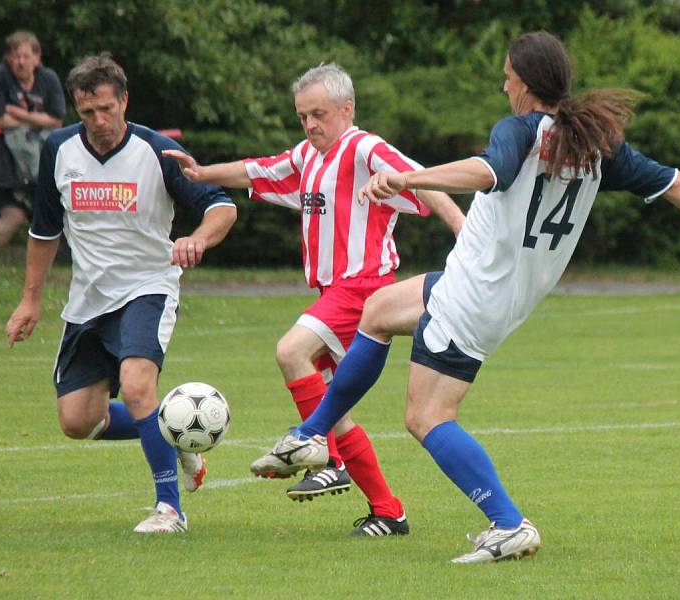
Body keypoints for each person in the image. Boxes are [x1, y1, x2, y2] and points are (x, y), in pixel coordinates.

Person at [249, 31, 680, 561]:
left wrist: (408, 179)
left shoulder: (520, 129)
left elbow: (488, 172)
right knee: (378, 312)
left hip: (473, 296)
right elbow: (674, 182)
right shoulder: (596, 144)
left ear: (526, 83)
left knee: (427, 418)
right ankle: (312, 433)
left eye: (508, 75)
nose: (503, 82)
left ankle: (508, 522)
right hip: (494, 291)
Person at [164, 63, 464, 536]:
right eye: (303, 115)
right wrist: (201, 173)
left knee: (291, 351)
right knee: (335, 409)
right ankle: (387, 510)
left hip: (363, 287)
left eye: (319, 114)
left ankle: (327, 457)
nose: (310, 124)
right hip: (334, 293)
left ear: (347, 109)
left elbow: (421, 178)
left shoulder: (364, 147)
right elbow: (256, 170)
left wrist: (461, 230)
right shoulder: (308, 156)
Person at [5, 53, 238, 533]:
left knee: (136, 386)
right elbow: (45, 231)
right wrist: (30, 299)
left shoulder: (156, 151)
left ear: (124, 100)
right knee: (77, 420)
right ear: (77, 108)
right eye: (88, 112)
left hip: (147, 287)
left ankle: (169, 509)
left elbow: (222, 205)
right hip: (88, 300)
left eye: (107, 109)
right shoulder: (59, 148)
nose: (99, 121)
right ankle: (174, 432)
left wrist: (198, 238)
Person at [0, 31, 66, 281]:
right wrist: (36, 121)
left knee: (10, 214)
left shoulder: (48, 78)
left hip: (21, 162)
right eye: (15, 56)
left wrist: (14, 113)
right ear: (8, 59)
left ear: (37, 58)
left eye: (26, 56)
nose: (21, 61)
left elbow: (56, 120)